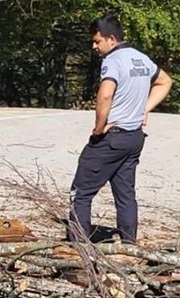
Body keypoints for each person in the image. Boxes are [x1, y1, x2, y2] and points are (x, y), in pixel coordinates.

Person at [67, 13, 172, 244]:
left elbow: (105, 95)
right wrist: (146, 108)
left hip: (111, 138)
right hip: (134, 138)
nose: (94, 46)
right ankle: (129, 245)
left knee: (80, 193)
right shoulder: (141, 59)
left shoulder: (112, 61)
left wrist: (98, 129)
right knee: (125, 195)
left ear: (111, 39)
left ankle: (77, 246)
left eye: (97, 41)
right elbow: (165, 81)